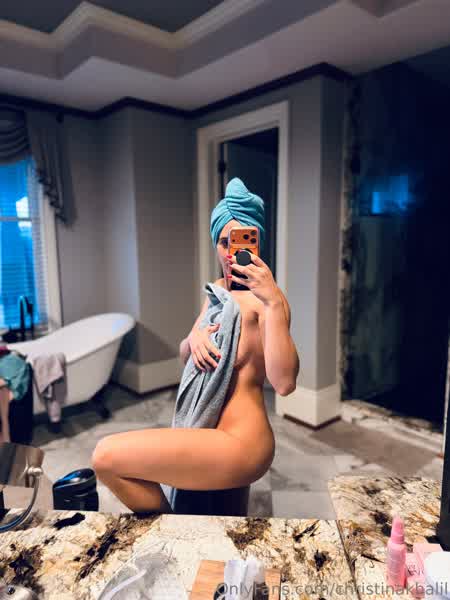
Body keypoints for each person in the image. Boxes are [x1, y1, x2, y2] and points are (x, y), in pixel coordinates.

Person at [92, 178, 300, 513]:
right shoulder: (217, 290)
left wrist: (273, 302)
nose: (230, 252)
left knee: (106, 457)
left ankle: (172, 531)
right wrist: (195, 339)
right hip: (206, 429)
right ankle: (184, 532)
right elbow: (184, 353)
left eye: (241, 239)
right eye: (223, 241)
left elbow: (284, 383)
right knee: (218, 521)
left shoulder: (268, 303)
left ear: (257, 241)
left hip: (244, 441)